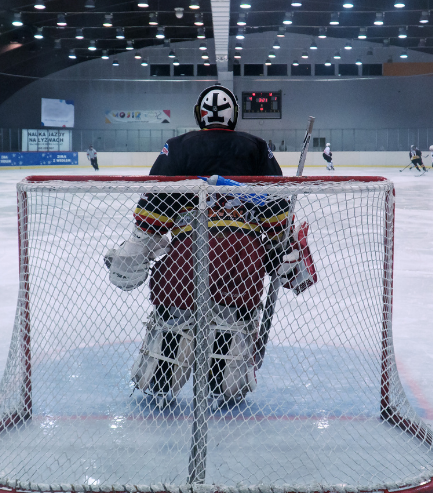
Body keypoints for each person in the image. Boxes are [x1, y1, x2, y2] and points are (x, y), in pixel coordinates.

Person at [104, 84, 310, 407]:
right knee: (232, 326)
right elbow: (276, 217)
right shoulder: (258, 148)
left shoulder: (177, 147)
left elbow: (153, 215)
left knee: (173, 324)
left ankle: (161, 381)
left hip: (186, 256)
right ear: (234, 116)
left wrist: (133, 254)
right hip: (242, 259)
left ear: (200, 115)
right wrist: (283, 255)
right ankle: (222, 382)